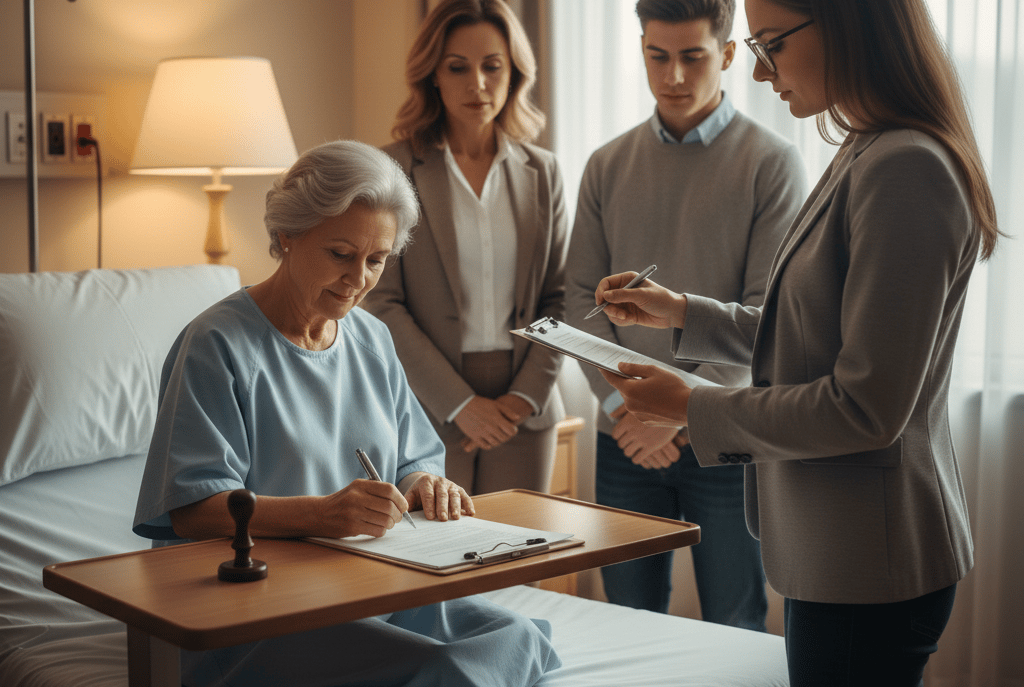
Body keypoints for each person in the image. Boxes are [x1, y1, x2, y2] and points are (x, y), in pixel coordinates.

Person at [592, 0, 1001, 683]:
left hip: (868, 563)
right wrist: (681, 313)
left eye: (772, 43)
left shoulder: (904, 167)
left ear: (848, 24)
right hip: (845, 554)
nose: (756, 71)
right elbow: (810, 336)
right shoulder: (867, 150)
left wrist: (692, 406)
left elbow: (863, 407)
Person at [132, 140, 561, 687]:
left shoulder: (372, 338)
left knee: (519, 637)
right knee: (443, 669)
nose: (359, 277)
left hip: (373, 587)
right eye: (341, 254)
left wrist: (429, 485)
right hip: (260, 608)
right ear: (287, 235)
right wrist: (320, 515)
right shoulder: (216, 345)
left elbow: (412, 462)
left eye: (376, 260)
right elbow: (191, 510)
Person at [566, 0, 806, 629]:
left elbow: (767, 318)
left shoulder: (773, 163)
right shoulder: (605, 165)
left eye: (692, 57)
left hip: (722, 437)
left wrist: (675, 415)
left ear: (727, 55)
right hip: (621, 437)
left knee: (734, 620)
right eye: (657, 56)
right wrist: (626, 410)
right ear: (641, 49)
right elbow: (577, 302)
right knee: (627, 621)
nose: (673, 76)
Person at [362, 0, 567, 495]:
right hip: (428, 403)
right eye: (458, 68)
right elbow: (383, 301)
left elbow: (561, 298)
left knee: (521, 560)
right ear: (433, 74)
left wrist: (523, 398)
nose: (477, 84)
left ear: (514, 72)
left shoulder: (544, 171)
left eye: (492, 66)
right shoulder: (393, 168)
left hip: (527, 406)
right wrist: (459, 404)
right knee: (438, 563)